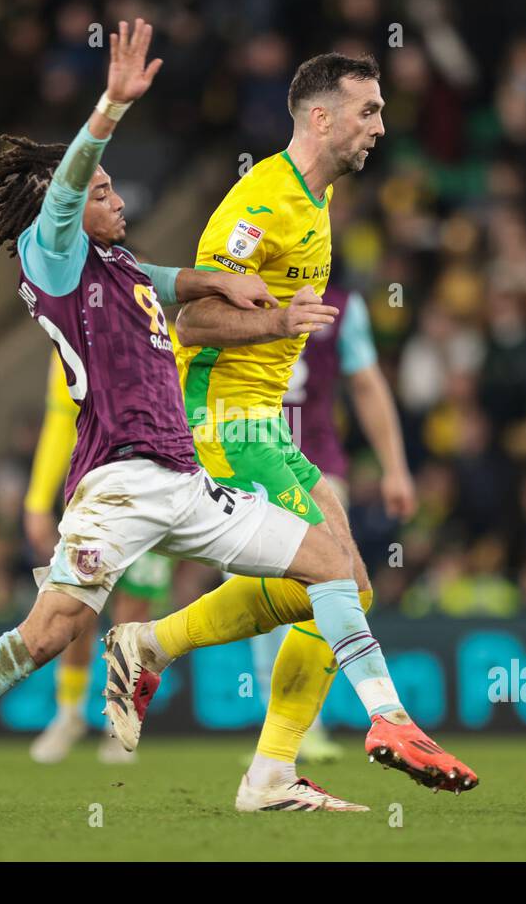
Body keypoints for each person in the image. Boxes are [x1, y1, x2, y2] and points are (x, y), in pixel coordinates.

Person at [0, 19, 474, 822]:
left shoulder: (116, 264)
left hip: (183, 480)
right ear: (65, 211)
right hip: (115, 485)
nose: (117, 199)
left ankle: (381, 720)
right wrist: (110, 106)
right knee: (47, 634)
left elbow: (170, 278)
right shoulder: (56, 257)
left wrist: (226, 282)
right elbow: (74, 188)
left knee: (331, 566)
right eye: (104, 193)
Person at [102, 51, 458, 810]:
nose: (382, 126)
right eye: (369, 111)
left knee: (347, 585)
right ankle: (389, 718)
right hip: (217, 420)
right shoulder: (262, 200)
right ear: (321, 117)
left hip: (263, 424)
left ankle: (253, 757)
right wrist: (275, 322)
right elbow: (190, 317)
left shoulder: (315, 201)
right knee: (330, 576)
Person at [246, 281, 417, 764]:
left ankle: (303, 725)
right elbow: (365, 385)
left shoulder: (338, 306)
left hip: (309, 467)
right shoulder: (236, 295)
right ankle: (283, 728)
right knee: (266, 600)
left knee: (313, 590)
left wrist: (396, 468)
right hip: (246, 463)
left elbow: (366, 384)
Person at [22, 355, 174, 764]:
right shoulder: (71, 340)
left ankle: (119, 720)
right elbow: (59, 421)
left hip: (155, 494)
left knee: (133, 614)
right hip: (93, 497)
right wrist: (38, 500)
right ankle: (69, 713)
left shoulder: (169, 334)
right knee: (77, 609)